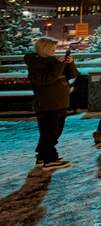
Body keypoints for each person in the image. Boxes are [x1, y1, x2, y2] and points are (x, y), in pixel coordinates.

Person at [25, 37, 78, 170]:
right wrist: (59, 65)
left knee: (53, 133)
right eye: (53, 48)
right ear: (45, 48)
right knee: (50, 133)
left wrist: (70, 63)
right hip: (47, 104)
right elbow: (45, 80)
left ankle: (42, 157)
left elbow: (72, 75)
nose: (55, 51)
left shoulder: (54, 61)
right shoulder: (35, 63)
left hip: (60, 102)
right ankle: (50, 159)